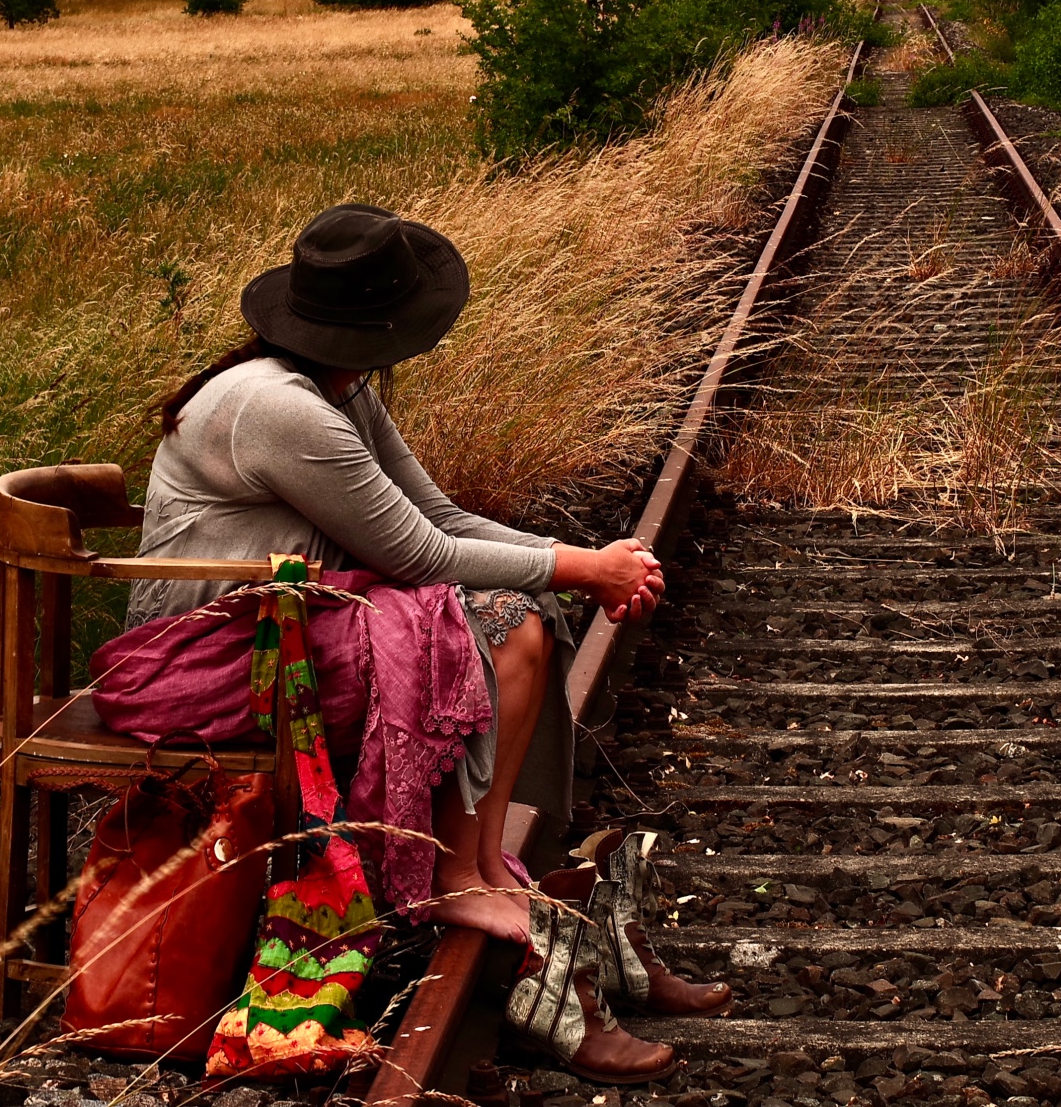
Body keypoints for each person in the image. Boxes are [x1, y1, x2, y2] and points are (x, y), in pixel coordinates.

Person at [122, 203, 663, 943]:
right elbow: (418, 555)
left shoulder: (338, 390)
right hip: (212, 661)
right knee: (503, 627)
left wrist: (598, 563)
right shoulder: (282, 409)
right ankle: (448, 875)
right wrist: (583, 568)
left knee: (518, 607)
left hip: (282, 630)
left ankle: (480, 863)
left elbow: (440, 517)